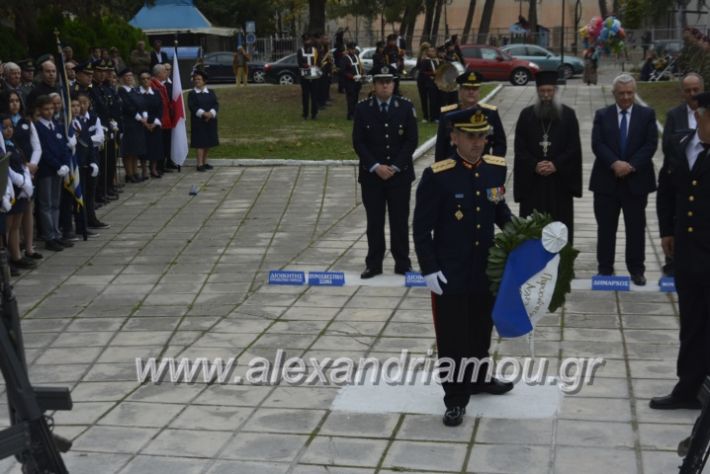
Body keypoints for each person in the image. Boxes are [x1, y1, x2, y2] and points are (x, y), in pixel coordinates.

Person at [412, 108, 513, 427]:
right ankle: (455, 398)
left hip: (485, 269)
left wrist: (525, 237)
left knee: (480, 329)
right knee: (453, 337)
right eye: (470, 136)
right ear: (453, 137)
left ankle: (480, 377)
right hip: (450, 272)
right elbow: (420, 228)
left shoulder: (496, 170)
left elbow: (500, 212)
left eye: (482, 136)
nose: (477, 142)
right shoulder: (438, 176)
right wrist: (428, 268)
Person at [652, 91, 710, 410]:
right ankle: (687, 388)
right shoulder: (681, 143)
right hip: (687, 254)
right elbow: (668, 190)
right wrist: (665, 231)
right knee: (691, 324)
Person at [590, 74, 658, 285]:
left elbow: (650, 144)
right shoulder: (603, 114)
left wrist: (630, 166)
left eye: (630, 93)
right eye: (622, 93)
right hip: (606, 181)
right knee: (606, 228)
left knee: (636, 228)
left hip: (636, 181)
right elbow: (597, 144)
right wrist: (615, 164)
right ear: (614, 94)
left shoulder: (647, 114)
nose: (626, 97)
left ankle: (637, 269)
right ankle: (605, 269)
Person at [352, 67, 418, 279]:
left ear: (394, 83)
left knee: (400, 220)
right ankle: (374, 263)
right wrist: (375, 166)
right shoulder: (363, 109)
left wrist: (395, 166)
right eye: (380, 82)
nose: (385, 85)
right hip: (372, 176)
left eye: (389, 81)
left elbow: (411, 141)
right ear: (374, 85)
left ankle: (402, 263)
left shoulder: (406, 107)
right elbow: (359, 142)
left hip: (400, 175)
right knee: (374, 221)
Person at [513, 70, 583, 244]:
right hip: (533, 183)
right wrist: (535, 165)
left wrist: (556, 165)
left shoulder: (568, 115)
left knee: (560, 225)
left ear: (555, 91)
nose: (546, 96)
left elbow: (573, 148)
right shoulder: (526, 115)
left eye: (549, 91)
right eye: (542, 91)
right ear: (537, 92)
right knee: (532, 227)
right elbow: (519, 149)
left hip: (559, 183)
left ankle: (563, 267)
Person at [659, 73, 704, 277]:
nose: (692, 94)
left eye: (696, 90)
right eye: (688, 90)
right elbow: (668, 146)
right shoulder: (674, 116)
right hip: (679, 182)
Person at [0, 90, 42, 261]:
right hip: (13, 184)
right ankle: (11, 256)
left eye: (17, 100)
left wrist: (30, 169)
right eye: (11, 101)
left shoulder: (24, 122)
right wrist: (21, 179)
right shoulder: (4, 138)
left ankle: (24, 251)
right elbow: (5, 163)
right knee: (9, 225)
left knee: (23, 217)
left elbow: (34, 147)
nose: (15, 104)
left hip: (25, 177)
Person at [435, 71, 506, 162]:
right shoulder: (448, 114)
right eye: (467, 88)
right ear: (460, 91)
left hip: (482, 166)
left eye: (475, 88)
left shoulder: (490, 113)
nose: (471, 92)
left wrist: (493, 165)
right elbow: (441, 146)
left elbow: (500, 143)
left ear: (479, 91)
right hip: (454, 167)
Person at [33, 95, 74, 251]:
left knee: (56, 203)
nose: (49, 111)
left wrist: (65, 163)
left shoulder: (55, 125)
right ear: (40, 110)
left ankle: (56, 233)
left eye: (51, 108)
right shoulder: (38, 127)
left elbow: (63, 146)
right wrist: (57, 165)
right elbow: (43, 150)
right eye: (46, 109)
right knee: (46, 204)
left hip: (58, 170)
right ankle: (49, 236)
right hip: (46, 170)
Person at [117, 68, 147, 183]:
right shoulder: (122, 91)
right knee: (128, 151)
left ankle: (135, 172)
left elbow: (143, 103)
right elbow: (127, 106)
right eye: (127, 76)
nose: (129, 78)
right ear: (122, 78)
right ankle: (129, 174)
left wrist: (144, 115)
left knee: (136, 150)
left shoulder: (135, 90)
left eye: (131, 75)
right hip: (129, 123)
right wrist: (140, 118)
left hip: (139, 123)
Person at [187, 70, 219, 172]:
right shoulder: (192, 93)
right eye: (195, 79)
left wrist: (211, 113)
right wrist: (204, 114)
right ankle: (199, 164)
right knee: (200, 142)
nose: (197, 81)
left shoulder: (210, 92)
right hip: (198, 121)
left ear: (204, 81)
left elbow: (215, 104)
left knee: (208, 142)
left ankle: (205, 162)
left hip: (210, 120)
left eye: (199, 79)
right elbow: (192, 106)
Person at [137, 70, 163, 179]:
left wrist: (155, 123)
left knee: (155, 147)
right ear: (140, 81)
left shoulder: (156, 92)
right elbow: (136, 109)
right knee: (144, 148)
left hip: (154, 124)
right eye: (143, 79)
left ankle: (153, 169)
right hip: (142, 124)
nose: (146, 81)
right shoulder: (137, 93)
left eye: (147, 78)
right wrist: (145, 123)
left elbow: (160, 108)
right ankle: (143, 170)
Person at [297, 34, 320, 120]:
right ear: (303, 42)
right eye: (306, 41)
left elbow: (318, 61)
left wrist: (315, 66)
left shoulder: (315, 50)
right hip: (305, 75)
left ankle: (314, 113)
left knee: (314, 95)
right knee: (305, 95)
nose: (307, 42)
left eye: (309, 40)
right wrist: (306, 66)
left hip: (314, 75)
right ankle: (305, 113)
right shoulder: (300, 51)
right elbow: (299, 63)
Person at [342, 42, 364, 120]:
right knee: (350, 99)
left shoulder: (356, 57)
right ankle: (350, 114)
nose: (353, 51)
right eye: (351, 49)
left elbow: (359, 67)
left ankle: (355, 113)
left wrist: (361, 75)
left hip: (357, 81)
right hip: (350, 82)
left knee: (356, 98)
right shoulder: (345, 58)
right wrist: (351, 77)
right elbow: (343, 71)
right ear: (348, 49)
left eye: (354, 49)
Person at [419, 46, 440, 123]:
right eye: (430, 51)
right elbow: (422, 72)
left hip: (434, 83)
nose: (432, 53)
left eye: (433, 51)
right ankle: (425, 117)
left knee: (433, 100)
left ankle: (434, 117)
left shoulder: (436, 61)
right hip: (426, 83)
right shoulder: (425, 61)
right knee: (425, 99)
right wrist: (432, 73)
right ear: (427, 52)